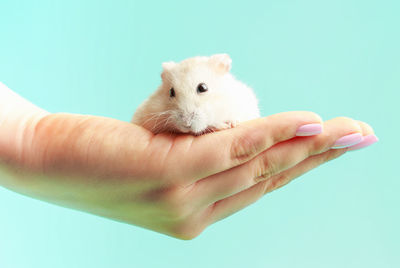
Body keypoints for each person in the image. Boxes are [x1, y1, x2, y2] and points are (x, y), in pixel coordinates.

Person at [0, 82, 377, 239]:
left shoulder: (235, 96)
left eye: (199, 91)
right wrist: (32, 143)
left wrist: (32, 138)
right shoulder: (158, 104)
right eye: (175, 94)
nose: (188, 112)